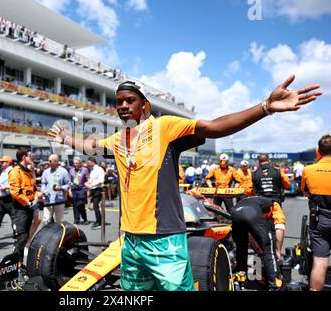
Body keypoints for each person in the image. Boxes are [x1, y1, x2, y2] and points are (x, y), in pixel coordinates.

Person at [48, 76, 321, 291]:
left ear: (145, 105)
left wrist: (265, 108)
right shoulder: (118, 140)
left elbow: (214, 126)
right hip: (130, 241)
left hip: (165, 239)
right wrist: (66, 139)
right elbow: (91, 145)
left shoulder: (164, 127)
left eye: (129, 100)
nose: (122, 106)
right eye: (118, 101)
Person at [230, 196, 285, 290]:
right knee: (269, 248)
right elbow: (280, 228)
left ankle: (241, 278)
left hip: (235, 213)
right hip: (251, 213)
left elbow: (250, 233)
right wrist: (278, 251)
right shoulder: (275, 205)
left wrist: (258, 249)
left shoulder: (254, 201)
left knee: (241, 247)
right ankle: (274, 284)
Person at [301, 134, 331, 291]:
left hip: (320, 219)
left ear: (319, 150)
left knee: (320, 261)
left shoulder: (308, 170)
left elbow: (305, 192)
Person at [8, 148, 41, 283]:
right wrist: (28, 202)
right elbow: (15, 192)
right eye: (28, 156)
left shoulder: (28, 172)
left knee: (25, 237)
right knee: (21, 239)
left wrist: (36, 199)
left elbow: (34, 189)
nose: (31, 157)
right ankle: (16, 268)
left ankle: (20, 266)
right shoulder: (15, 171)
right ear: (23, 157)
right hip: (20, 210)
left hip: (29, 208)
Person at [40, 154, 70, 226]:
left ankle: (58, 236)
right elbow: (43, 183)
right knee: (46, 220)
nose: (48, 162)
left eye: (50, 161)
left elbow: (68, 184)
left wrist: (61, 188)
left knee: (59, 221)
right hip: (48, 199)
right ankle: (45, 236)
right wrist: (43, 190)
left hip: (59, 200)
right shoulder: (46, 171)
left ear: (56, 161)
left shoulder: (63, 171)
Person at [85, 157, 105, 230]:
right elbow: (92, 179)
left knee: (96, 206)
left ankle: (99, 222)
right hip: (93, 189)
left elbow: (101, 180)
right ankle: (98, 221)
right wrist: (88, 183)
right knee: (95, 206)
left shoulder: (99, 169)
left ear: (92, 161)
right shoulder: (92, 169)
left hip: (98, 189)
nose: (88, 163)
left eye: (88, 162)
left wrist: (92, 185)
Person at [69, 157, 90, 225]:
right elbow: (69, 180)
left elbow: (88, 180)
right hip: (74, 189)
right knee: (75, 205)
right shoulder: (71, 170)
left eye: (77, 163)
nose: (75, 164)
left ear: (80, 163)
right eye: (74, 163)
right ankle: (76, 219)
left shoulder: (85, 170)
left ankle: (84, 218)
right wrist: (69, 190)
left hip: (81, 189)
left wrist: (88, 190)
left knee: (81, 204)